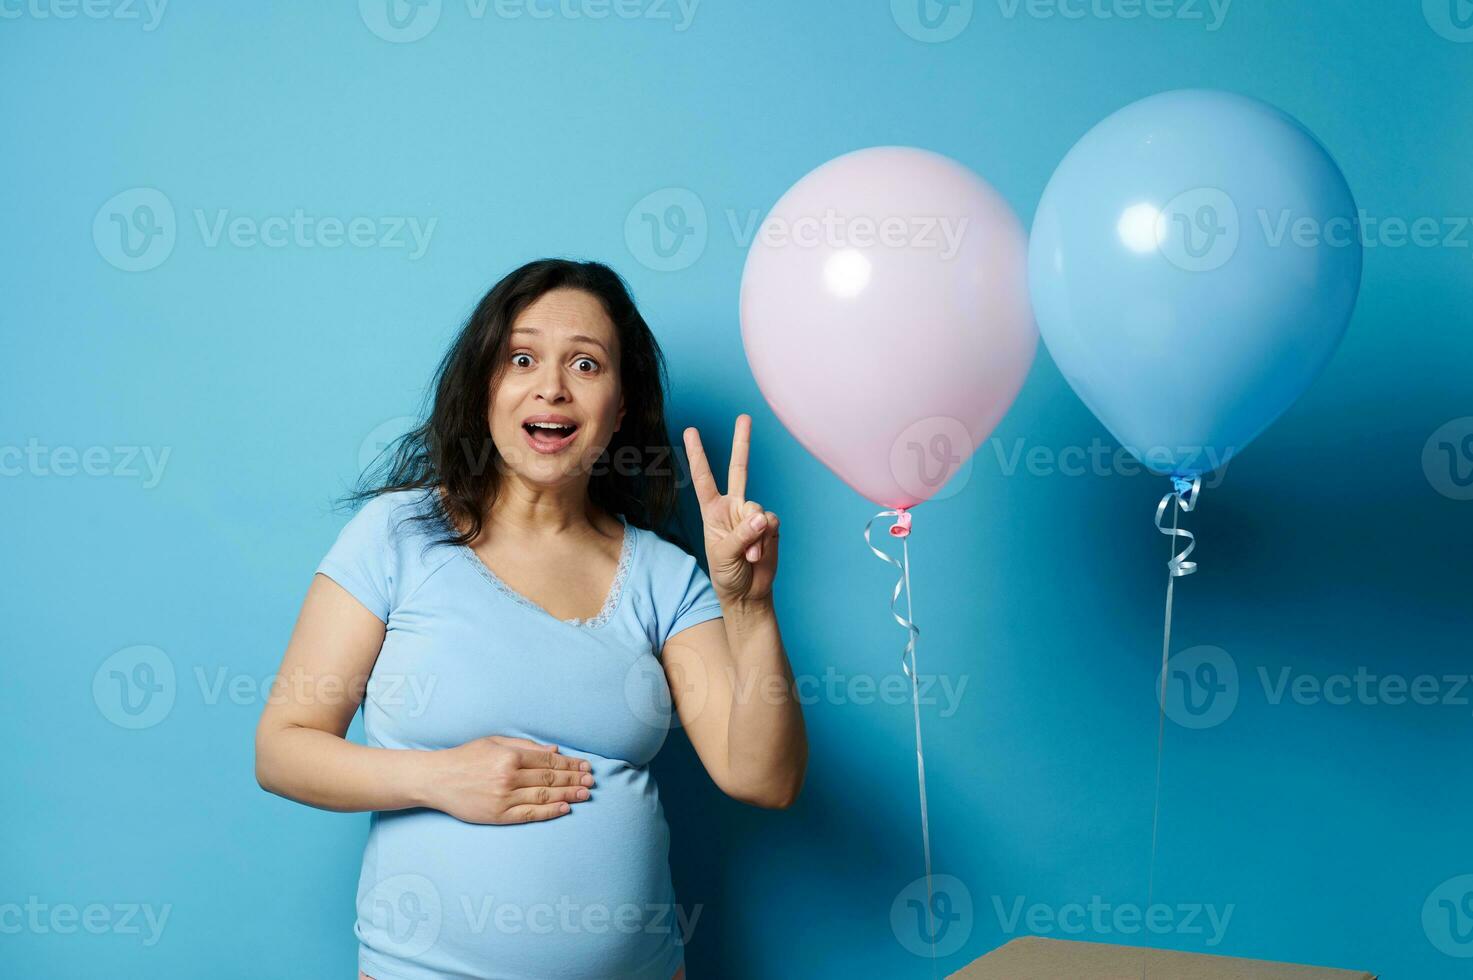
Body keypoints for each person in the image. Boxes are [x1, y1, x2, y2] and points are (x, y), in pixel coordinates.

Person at [254, 258, 808, 979]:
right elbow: (282, 749)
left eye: (586, 363)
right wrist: (440, 778)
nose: (551, 385)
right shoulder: (396, 535)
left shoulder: (665, 576)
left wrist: (747, 606)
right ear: (485, 385)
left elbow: (761, 777)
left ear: (619, 405)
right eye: (522, 357)